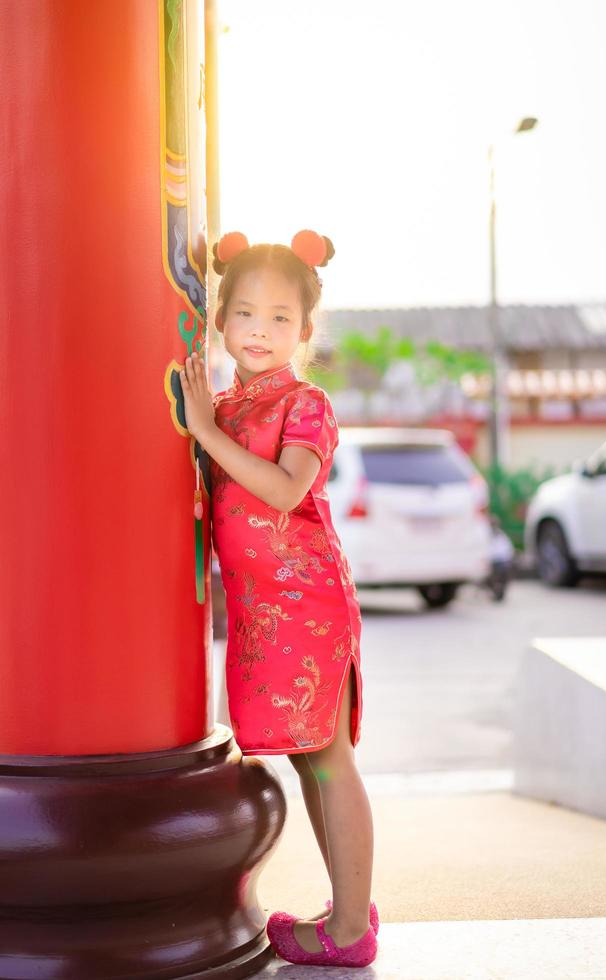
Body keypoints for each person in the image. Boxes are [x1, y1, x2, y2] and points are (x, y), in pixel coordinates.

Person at [179, 229, 378, 969]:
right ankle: (348, 908)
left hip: (309, 603)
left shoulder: (304, 403)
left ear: (305, 329)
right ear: (221, 319)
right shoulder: (225, 403)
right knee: (306, 762)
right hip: (263, 614)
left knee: (330, 762)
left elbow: (287, 488)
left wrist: (203, 431)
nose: (260, 331)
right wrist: (204, 423)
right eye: (246, 314)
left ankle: (352, 928)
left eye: (281, 318)